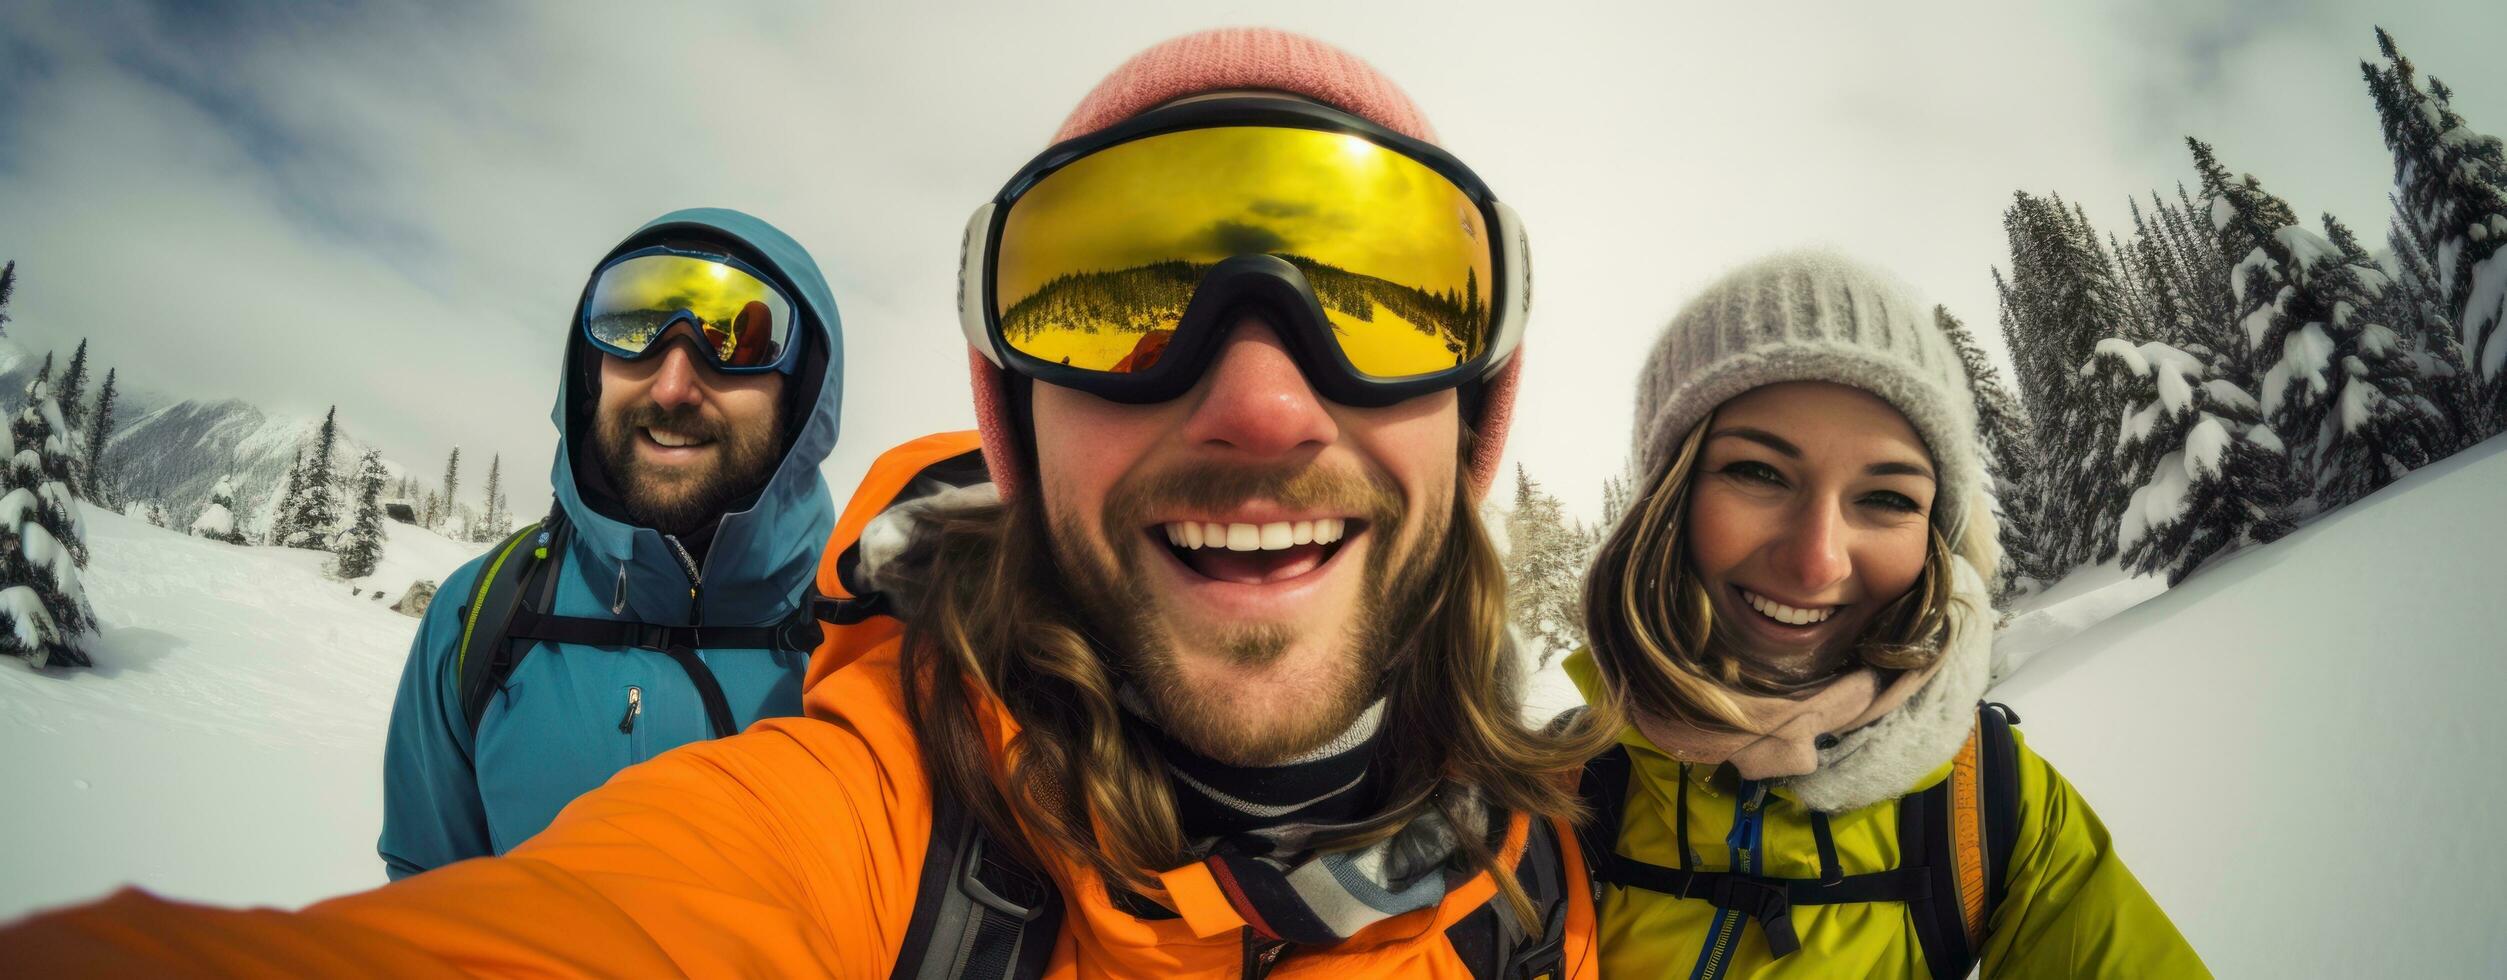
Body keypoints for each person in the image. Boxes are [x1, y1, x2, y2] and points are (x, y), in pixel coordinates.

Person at [0, 29, 1615, 977]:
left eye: (1390, 298)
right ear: (1015, 417)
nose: (1260, 401)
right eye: (1117, 301)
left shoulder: (1535, 868)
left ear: (1474, 412)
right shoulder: (888, 791)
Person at [1568, 251, 2207, 976]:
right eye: (1757, 472)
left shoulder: (1993, 808)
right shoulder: (1549, 792)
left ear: (1936, 539)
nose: (1818, 562)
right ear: (1665, 502)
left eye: (1887, 498)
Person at [378, 207, 846, 876]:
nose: (673, 386)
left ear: (800, 393)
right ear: (591, 369)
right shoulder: (479, 615)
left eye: (735, 348)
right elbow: (427, 895)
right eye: (632, 329)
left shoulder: (869, 640)